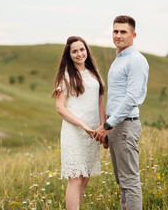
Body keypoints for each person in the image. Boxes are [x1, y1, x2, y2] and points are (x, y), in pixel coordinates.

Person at [93, 15, 149, 210]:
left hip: (125, 124)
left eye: (123, 32)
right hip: (116, 125)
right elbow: (116, 98)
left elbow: (131, 98)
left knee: (130, 182)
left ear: (133, 35)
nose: (118, 35)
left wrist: (108, 125)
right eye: (115, 31)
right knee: (122, 181)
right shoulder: (120, 59)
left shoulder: (135, 60)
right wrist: (109, 126)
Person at [51, 36, 106, 210]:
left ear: (87, 51)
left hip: (93, 132)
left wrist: (104, 128)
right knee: (75, 177)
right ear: (69, 55)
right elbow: (60, 107)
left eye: (82, 49)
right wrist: (82, 125)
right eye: (74, 51)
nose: (79, 54)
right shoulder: (66, 77)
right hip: (75, 132)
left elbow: (100, 102)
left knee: (85, 177)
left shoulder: (93, 73)